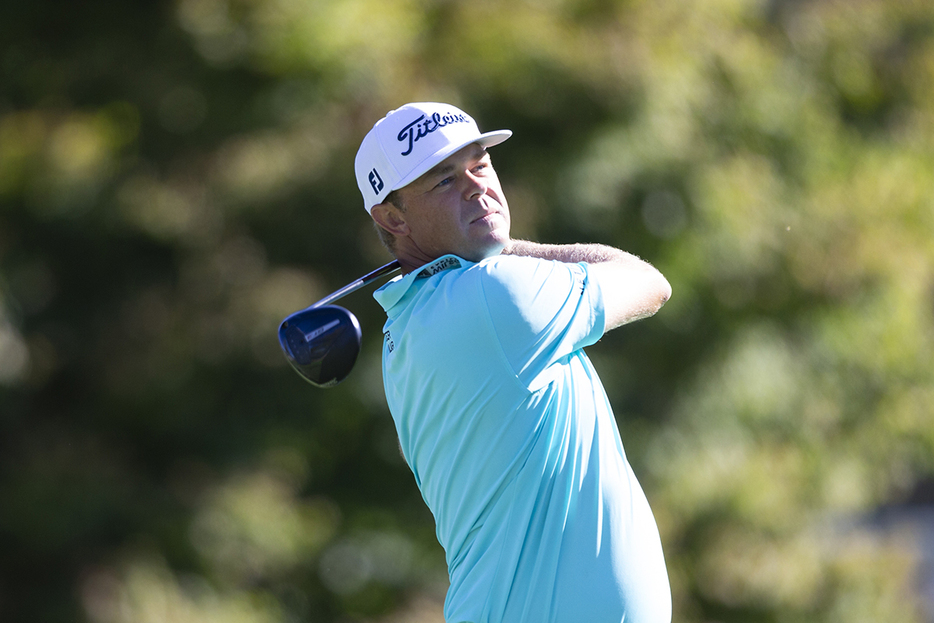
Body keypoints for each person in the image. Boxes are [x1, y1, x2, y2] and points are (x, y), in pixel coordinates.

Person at [354, 102, 672, 623]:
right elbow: (647, 282)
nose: (477, 186)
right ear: (393, 218)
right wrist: (501, 249)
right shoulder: (492, 297)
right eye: (444, 181)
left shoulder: (410, 321)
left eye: (480, 165)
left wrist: (486, 246)